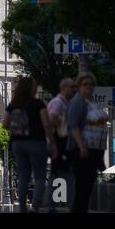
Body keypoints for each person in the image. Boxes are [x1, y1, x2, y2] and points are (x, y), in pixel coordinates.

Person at [3, 77, 57, 213]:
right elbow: (46, 124)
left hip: (17, 144)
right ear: (31, 89)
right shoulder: (38, 104)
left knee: (23, 176)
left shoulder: (13, 104)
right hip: (36, 142)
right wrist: (52, 142)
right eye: (34, 86)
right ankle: (35, 206)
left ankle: (22, 207)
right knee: (39, 176)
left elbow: (4, 124)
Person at [67, 72, 108, 213]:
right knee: (82, 188)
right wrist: (81, 145)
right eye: (85, 84)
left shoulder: (92, 102)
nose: (88, 87)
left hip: (95, 150)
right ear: (79, 86)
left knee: (87, 188)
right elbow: (72, 125)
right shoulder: (78, 102)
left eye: (91, 84)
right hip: (83, 150)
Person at [46, 78, 77, 212]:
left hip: (61, 143)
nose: (74, 89)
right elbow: (52, 118)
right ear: (64, 88)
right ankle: (57, 206)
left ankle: (56, 206)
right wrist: (64, 127)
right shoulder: (58, 102)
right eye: (71, 87)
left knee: (62, 174)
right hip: (59, 144)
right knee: (63, 174)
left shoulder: (64, 102)